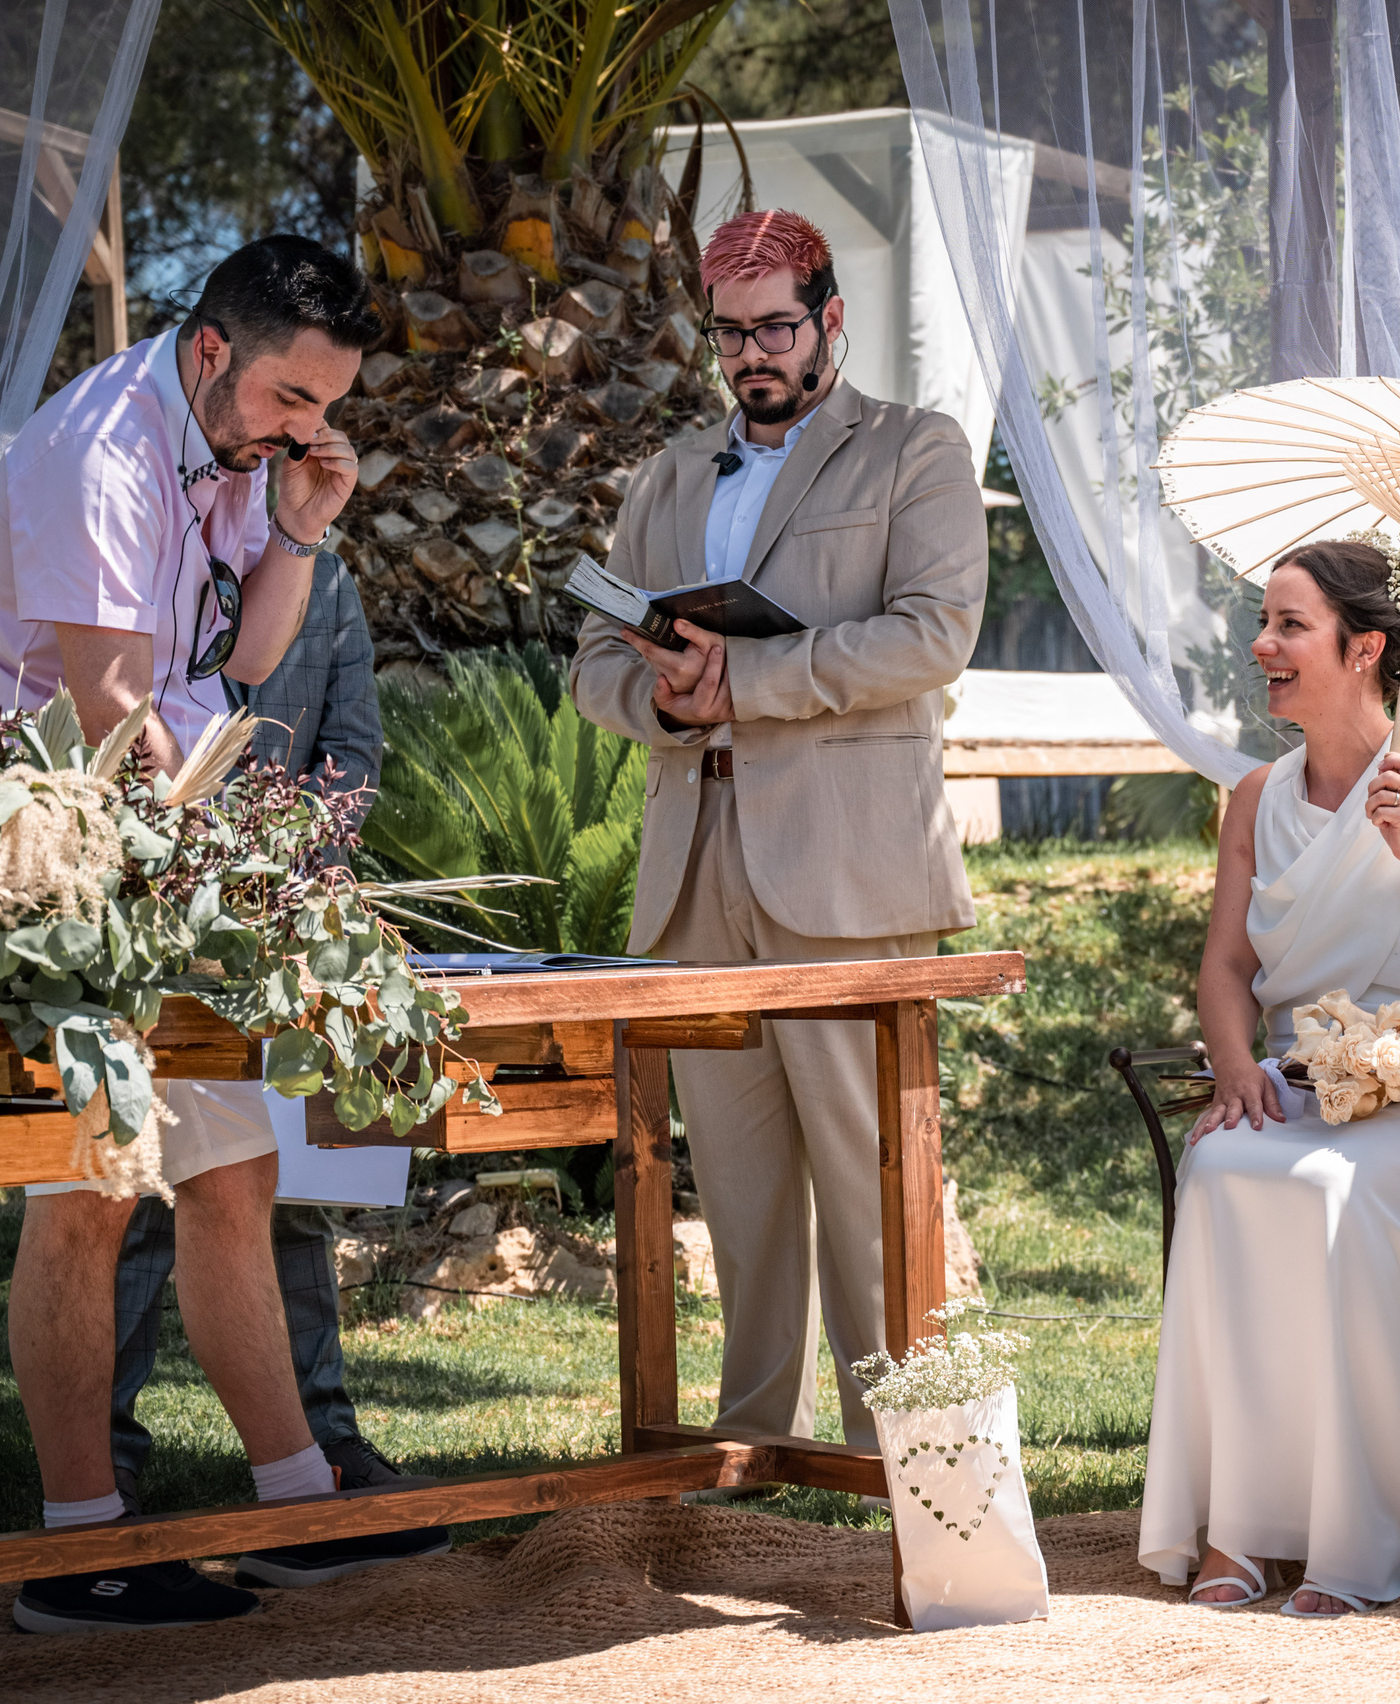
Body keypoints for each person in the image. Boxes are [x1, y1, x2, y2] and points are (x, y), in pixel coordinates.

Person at [0, 233, 377, 1633]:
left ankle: (300, 1509)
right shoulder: (100, 455)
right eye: (292, 403)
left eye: (325, 406)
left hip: (171, 867)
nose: (308, 430)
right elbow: (114, 721)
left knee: (236, 1181)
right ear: (214, 353)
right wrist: (249, 882)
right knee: (86, 1201)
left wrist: (304, 526)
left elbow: (242, 662)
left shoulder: (239, 454)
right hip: (70, 870)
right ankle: (78, 1549)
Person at [568, 209, 985, 1455]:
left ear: (830, 322)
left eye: (776, 328)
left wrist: (748, 681)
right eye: (730, 332)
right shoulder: (668, 474)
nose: (752, 353)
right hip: (695, 870)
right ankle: (759, 1440)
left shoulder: (916, 449)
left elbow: (931, 635)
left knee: (871, 1186)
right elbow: (599, 651)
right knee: (739, 1195)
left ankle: (908, 1452)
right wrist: (658, 694)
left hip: (850, 868)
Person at [1137, 539, 1400, 1618]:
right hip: (1311, 1081)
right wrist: (1235, 1071)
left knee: (1331, 1195)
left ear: (1365, 648)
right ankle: (1241, 1529)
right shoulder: (1255, 797)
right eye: (1262, 623)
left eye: (1287, 625)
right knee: (1223, 1166)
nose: (1260, 646)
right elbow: (1226, 966)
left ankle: (1362, 1538)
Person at [107, 549, 450, 1588]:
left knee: (291, 1191)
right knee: (125, 1201)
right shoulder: (144, 557)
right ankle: (106, 1467)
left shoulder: (329, 578)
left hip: (283, 928)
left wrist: (305, 877)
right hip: (151, 921)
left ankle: (324, 1441)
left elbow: (350, 751)